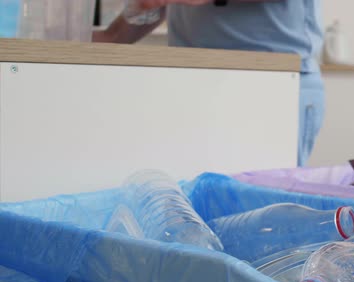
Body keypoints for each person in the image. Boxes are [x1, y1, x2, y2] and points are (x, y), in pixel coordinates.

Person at [94, 0, 324, 166]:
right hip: (192, 84)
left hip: (275, 86)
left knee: (263, 210)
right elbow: (145, 11)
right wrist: (112, 33)